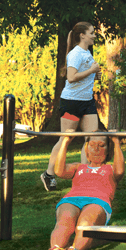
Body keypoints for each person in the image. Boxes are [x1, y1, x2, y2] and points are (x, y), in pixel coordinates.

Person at [40, 22, 103, 191]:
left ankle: (86, 176)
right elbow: (71, 77)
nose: (94, 35)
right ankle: (49, 174)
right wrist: (91, 71)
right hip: (72, 102)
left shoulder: (87, 53)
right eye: (92, 33)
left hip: (87, 102)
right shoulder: (75, 54)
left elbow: (85, 75)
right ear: (82, 35)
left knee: (91, 140)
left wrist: (95, 74)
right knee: (66, 139)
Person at [46, 132, 123, 250]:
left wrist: (116, 142)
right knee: (65, 220)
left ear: (108, 149)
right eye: (92, 145)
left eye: (101, 145)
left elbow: (120, 171)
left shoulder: (110, 169)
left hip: (97, 201)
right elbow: (59, 171)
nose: (96, 149)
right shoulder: (79, 167)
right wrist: (65, 142)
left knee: (86, 223)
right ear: (86, 148)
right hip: (72, 199)